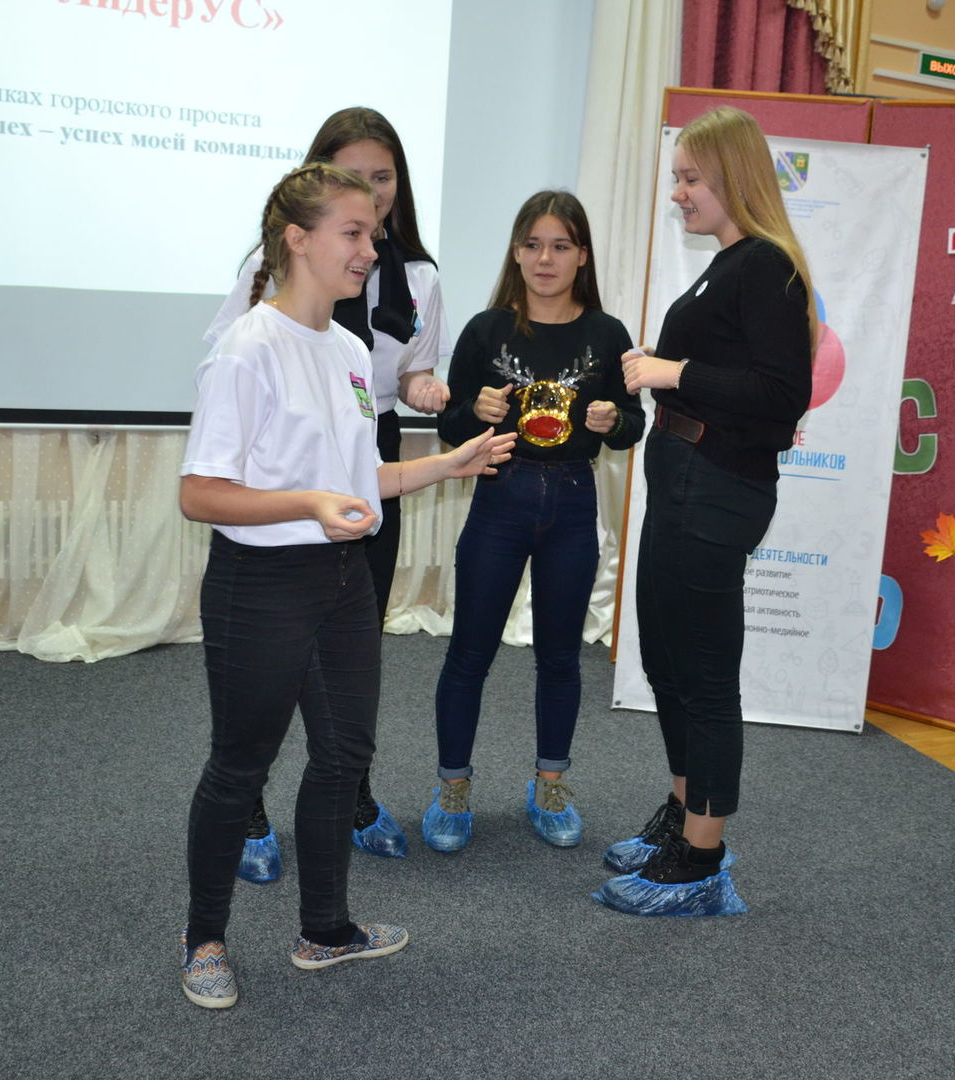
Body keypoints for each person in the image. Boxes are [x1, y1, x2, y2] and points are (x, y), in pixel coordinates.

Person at [178, 162, 514, 1008]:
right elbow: (200, 494)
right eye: (353, 234)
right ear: (298, 239)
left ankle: (324, 930)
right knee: (240, 765)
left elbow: (361, 482)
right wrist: (307, 503)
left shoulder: (352, 350)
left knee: (344, 756)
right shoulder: (246, 348)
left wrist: (450, 462)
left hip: (342, 580)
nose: (370, 250)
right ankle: (203, 938)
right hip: (259, 584)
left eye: (374, 234)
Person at [205, 107, 452, 872]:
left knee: (349, 664)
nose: (373, 196)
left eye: (384, 179)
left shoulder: (409, 281)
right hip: (278, 488)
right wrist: (303, 488)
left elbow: (404, 374)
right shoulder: (266, 296)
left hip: (361, 461)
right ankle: (246, 809)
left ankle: (350, 798)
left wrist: (429, 396)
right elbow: (226, 373)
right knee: (262, 683)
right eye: (354, 180)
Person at [593, 106, 816, 917]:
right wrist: (664, 371)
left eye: (691, 178)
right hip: (685, 479)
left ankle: (702, 858)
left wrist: (670, 371)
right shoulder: (730, 264)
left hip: (717, 487)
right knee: (666, 661)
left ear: (732, 176)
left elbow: (781, 394)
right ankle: (684, 813)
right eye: (677, 178)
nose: (678, 193)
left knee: (705, 674)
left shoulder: (766, 266)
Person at [421, 191, 645, 852]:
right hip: (500, 499)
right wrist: (476, 412)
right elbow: (449, 426)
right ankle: (453, 789)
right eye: (533, 245)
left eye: (560, 246)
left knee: (561, 657)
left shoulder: (607, 334)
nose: (545, 259)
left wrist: (614, 419)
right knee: (470, 653)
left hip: (573, 503)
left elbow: (633, 425)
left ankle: (549, 784)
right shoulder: (486, 330)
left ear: (582, 256)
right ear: (516, 253)